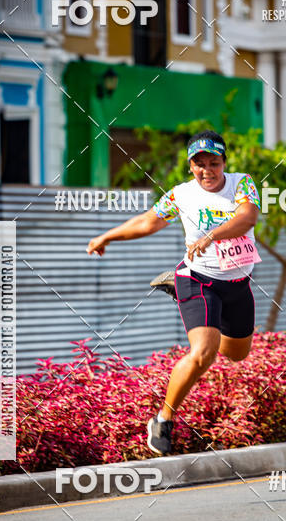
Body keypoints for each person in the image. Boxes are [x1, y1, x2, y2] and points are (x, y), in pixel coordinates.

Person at [87, 130, 261, 455]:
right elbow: (148, 222)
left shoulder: (242, 183)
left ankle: (186, 298)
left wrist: (211, 236)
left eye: (214, 162)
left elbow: (247, 217)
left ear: (224, 162)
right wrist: (107, 236)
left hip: (238, 283)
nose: (207, 170)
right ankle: (163, 419)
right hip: (200, 278)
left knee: (237, 354)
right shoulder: (182, 194)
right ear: (190, 165)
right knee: (202, 354)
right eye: (199, 164)